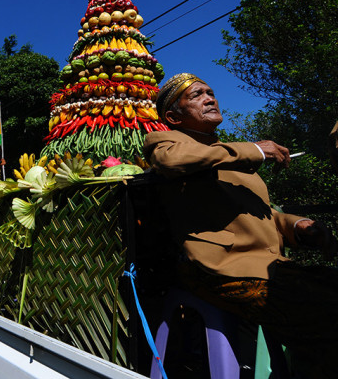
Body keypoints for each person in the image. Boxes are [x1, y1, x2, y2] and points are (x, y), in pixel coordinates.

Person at [144, 72, 338, 377]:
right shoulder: (168, 142)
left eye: (210, 92)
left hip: (267, 264)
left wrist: (298, 225)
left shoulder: (227, 154)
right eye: (196, 95)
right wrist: (255, 149)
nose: (210, 97)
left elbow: (263, 214)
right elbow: (170, 161)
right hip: (220, 269)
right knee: (324, 311)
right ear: (173, 116)